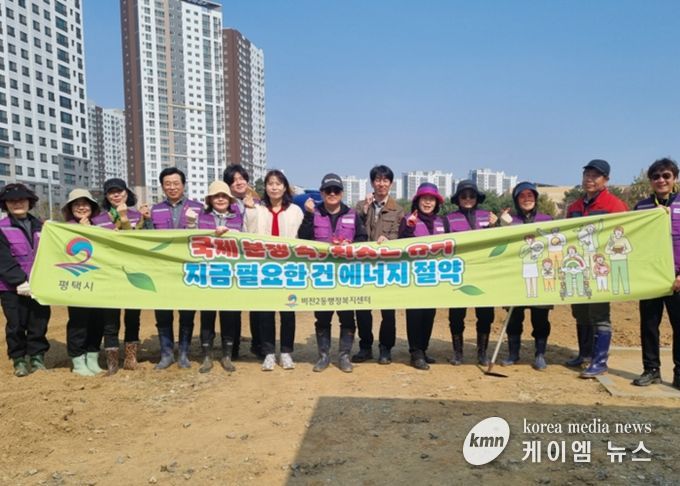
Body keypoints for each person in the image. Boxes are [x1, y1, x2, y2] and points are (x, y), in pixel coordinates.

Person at [298, 173, 368, 372]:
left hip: (346, 276)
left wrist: (350, 246)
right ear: (321, 193)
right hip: (322, 276)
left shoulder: (352, 214)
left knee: (347, 318)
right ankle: (323, 356)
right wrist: (308, 216)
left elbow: (363, 238)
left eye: (336, 190)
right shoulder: (313, 213)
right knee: (322, 317)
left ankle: (344, 356)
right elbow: (303, 239)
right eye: (327, 190)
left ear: (341, 193)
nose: (332, 193)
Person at [566, 159, 627, 378]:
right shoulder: (574, 207)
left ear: (606, 180)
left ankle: (599, 361)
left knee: (599, 314)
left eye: (595, 176)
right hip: (579, 270)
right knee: (580, 313)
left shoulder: (614, 206)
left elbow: (625, 232)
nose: (589, 179)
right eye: (587, 175)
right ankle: (584, 354)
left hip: (601, 270)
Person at [245, 170, 304, 371]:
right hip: (265, 268)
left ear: (285, 187)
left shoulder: (295, 210)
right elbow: (249, 235)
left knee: (288, 311)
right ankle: (269, 352)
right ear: (266, 187)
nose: (274, 187)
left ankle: (286, 352)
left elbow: (301, 237)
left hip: (288, 268)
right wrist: (250, 211)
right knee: (265, 312)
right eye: (270, 183)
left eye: (278, 183)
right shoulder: (258, 209)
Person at [91, 178, 150, 375]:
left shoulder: (138, 216)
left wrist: (131, 220)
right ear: (106, 196)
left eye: (120, 191)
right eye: (111, 192)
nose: (116, 195)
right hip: (108, 275)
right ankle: (112, 362)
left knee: (133, 317)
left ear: (127, 193)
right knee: (110, 320)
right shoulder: (98, 219)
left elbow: (144, 242)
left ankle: (131, 358)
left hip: (133, 274)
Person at [632, 157, 680, 389]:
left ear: (674, 178)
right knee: (649, 326)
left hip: (677, 279)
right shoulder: (641, 207)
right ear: (650, 181)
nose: (661, 180)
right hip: (650, 279)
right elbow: (634, 242)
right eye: (656, 176)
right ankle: (651, 370)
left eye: (666, 176)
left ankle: (679, 373)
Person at [150, 167, 203, 369]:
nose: (172, 187)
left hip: (188, 269)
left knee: (187, 313)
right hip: (162, 269)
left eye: (176, 183)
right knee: (163, 313)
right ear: (162, 187)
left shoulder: (198, 208)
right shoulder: (155, 210)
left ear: (183, 185)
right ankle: (166, 354)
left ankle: (183, 353)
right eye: (167, 184)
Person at [352, 165, 404, 365]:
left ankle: (385, 348)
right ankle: (365, 347)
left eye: (385, 180)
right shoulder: (360, 206)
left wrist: (390, 240)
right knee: (362, 309)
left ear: (391, 183)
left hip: (386, 267)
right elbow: (353, 231)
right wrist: (364, 212)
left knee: (388, 311)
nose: (381, 184)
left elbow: (403, 236)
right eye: (378, 180)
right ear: (372, 182)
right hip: (363, 266)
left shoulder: (398, 209)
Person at [498, 181, 553, 370]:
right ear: (516, 200)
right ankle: (513, 353)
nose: (526, 199)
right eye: (522, 196)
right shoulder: (510, 220)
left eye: (530, 195)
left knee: (540, 318)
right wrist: (501, 225)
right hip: (515, 277)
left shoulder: (547, 220)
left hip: (540, 277)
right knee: (514, 318)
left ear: (536, 198)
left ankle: (540, 354)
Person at [0, 184, 51, 377]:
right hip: (11, 287)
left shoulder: (42, 226)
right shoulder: (1, 228)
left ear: (29, 202)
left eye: (21, 200)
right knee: (16, 324)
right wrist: (19, 281)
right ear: (5, 204)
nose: (17, 204)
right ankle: (19, 359)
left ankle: (37, 357)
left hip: (39, 284)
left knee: (39, 322)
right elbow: (2, 258)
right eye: (12, 201)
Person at [399, 183, 450, 370]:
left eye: (431, 200)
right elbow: (400, 247)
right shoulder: (408, 219)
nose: (428, 203)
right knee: (415, 314)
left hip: (434, 275)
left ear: (436, 203)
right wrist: (408, 228)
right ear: (417, 201)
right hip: (414, 276)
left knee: (429, 314)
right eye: (424, 199)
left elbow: (451, 245)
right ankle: (415, 353)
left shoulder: (442, 222)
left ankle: (423, 349)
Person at [446, 180, 498, 366]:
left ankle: (482, 353)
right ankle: (458, 353)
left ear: (477, 198)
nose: (468, 199)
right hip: (459, 274)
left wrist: (496, 225)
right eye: (464, 196)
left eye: (472, 195)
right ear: (458, 198)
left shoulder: (488, 216)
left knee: (485, 315)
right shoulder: (449, 219)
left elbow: (497, 241)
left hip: (484, 274)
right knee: (456, 316)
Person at [197, 180, 245, 373]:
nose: (220, 199)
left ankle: (227, 355)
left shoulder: (238, 217)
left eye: (224, 196)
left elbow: (245, 239)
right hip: (207, 273)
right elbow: (193, 237)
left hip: (230, 274)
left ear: (230, 199)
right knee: (207, 316)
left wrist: (229, 234)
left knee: (229, 316)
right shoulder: (201, 216)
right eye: (216, 196)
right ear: (210, 199)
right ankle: (207, 356)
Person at [61, 189, 105, 376]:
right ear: (70, 208)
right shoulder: (64, 230)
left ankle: (92, 357)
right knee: (79, 321)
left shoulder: (101, 228)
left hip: (99, 283)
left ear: (92, 207)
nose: (81, 207)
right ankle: (78, 360)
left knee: (98, 321)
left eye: (85, 204)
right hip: (77, 283)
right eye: (76, 204)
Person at [223, 164, 260, 359]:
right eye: (233, 180)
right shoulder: (224, 203)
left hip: (254, 260)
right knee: (232, 307)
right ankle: (232, 348)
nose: (238, 183)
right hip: (231, 261)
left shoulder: (258, 202)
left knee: (258, 306)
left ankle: (258, 345)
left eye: (241, 178)